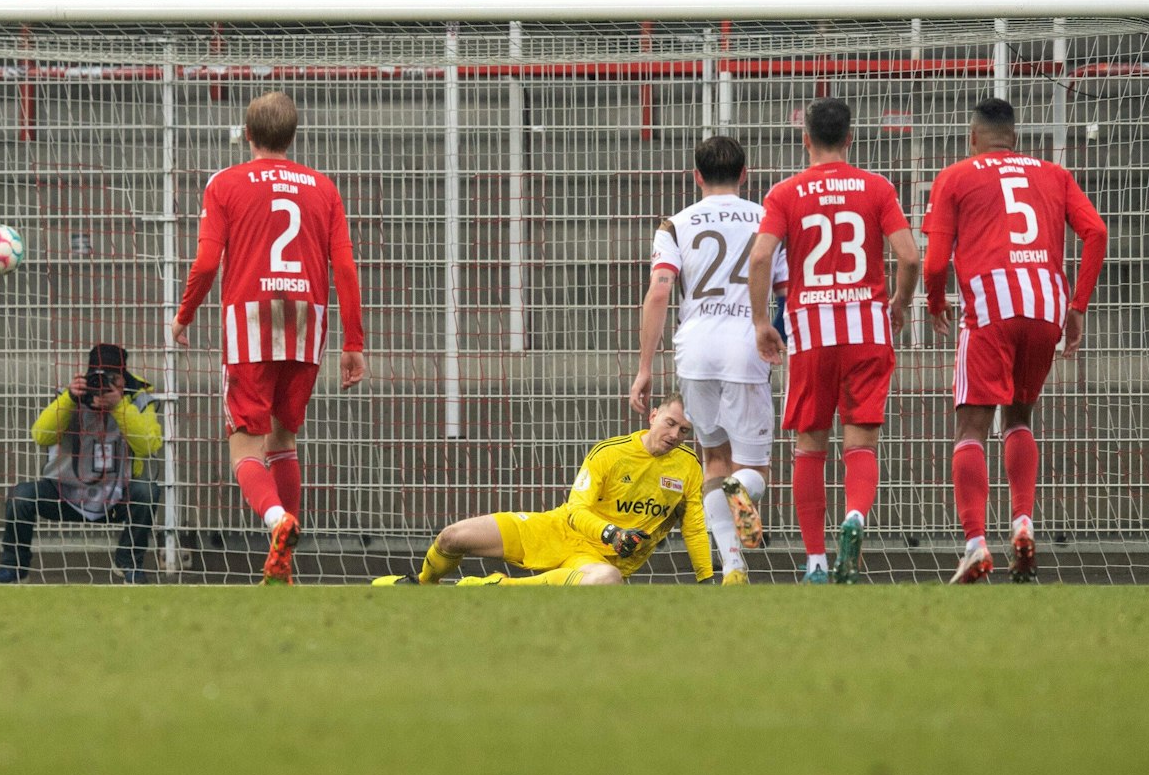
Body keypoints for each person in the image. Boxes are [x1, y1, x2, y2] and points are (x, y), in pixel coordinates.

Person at [171, 91, 366, 585]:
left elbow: (208, 262)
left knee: (244, 450)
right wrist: (353, 343)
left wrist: (184, 314)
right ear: (292, 135)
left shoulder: (226, 183)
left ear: (248, 135)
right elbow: (343, 266)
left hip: (250, 322)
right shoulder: (323, 186)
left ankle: (279, 522)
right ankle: (286, 566)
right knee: (283, 439)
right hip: (307, 322)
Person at [923, 97, 1108, 584]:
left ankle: (975, 544)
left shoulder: (957, 175)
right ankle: (1023, 523)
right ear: (1016, 138)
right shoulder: (1053, 173)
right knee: (1020, 416)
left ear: (973, 137)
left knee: (970, 429)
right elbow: (1097, 232)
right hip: (1046, 303)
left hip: (991, 304)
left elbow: (936, 261)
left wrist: (936, 303)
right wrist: (1078, 305)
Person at [749, 97, 920, 584]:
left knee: (810, 444)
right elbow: (908, 257)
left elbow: (761, 258)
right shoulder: (877, 187)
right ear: (850, 138)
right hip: (868, 326)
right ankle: (856, 517)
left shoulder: (785, 192)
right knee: (861, 438)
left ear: (806, 139)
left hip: (812, 330)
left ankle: (817, 562)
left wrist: (763, 321)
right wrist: (901, 305)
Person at [631, 134, 786, 585]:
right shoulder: (767, 219)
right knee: (753, 470)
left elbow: (660, 290)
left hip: (694, 350)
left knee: (714, 459)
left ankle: (734, 567)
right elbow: (784, 291)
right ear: (745, 174)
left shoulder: (674, 224)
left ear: (696, 176)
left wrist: (645, 368)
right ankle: (743, 508)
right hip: (747, 345)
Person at [374, 396, 710, 586]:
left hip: (595, 560)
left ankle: (494, 587)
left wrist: (706, 580)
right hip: (557, 529)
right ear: (653, 415)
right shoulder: (610, 452)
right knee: (452, 536)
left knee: (607, 581)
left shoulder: (688, 466)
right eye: (670, 423)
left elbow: (694, 527)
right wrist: (613, 532)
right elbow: (577, 510)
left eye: (684, 430)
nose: (675, 434)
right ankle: (422, 585)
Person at [0, 343, 164, 584]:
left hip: (115, 496)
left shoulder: (137, 401)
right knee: (21, 496)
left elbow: (149, 445)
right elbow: (40, 435)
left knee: (146, 491)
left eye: (112, 378)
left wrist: (119, 407)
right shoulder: (71, 396)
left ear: (123, 379)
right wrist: (71, 398)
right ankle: (13, 568)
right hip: (65, 491)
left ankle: (129, 562)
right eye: (98, 378)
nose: (103, 385)